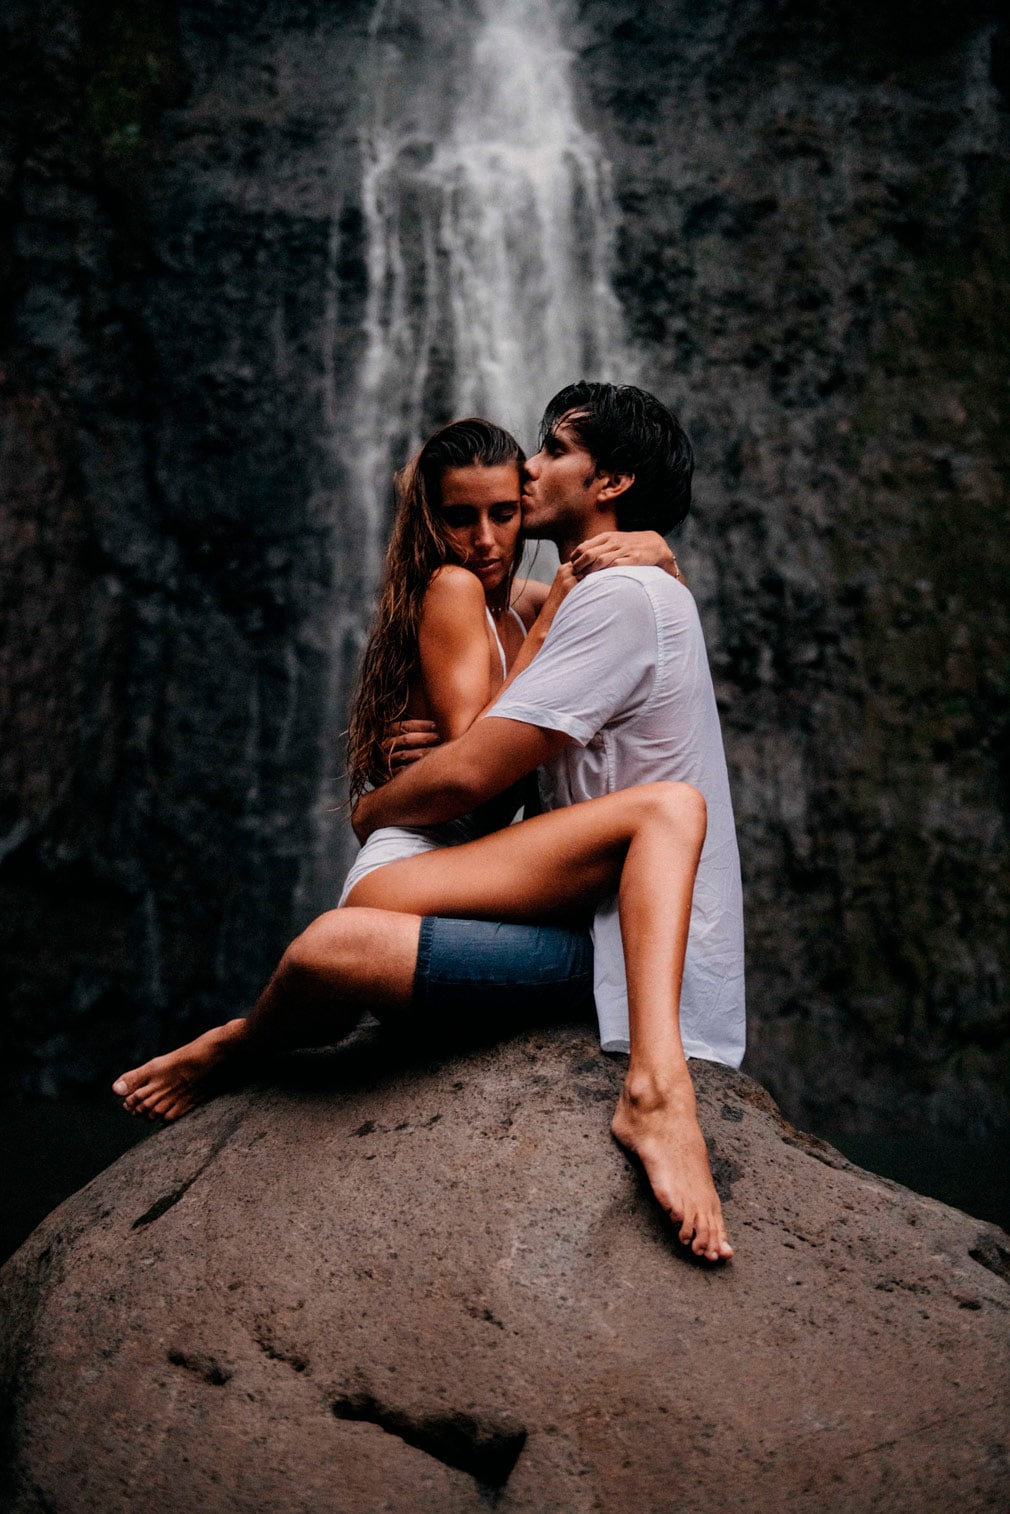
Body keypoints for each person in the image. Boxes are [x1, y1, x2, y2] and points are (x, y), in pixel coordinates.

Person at [114, 384, 742, 1264]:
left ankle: (656, 1086)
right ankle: (249, 1040)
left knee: (342, 941)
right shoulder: (547, 594)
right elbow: (481, 746)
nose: (529, 470)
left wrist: (376, 803)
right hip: (565, 909)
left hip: (600, 930)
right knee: (337, 939)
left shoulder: (602, 595)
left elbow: (478, 767)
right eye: (467, 515)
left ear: (612, 482)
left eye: (554, 450)